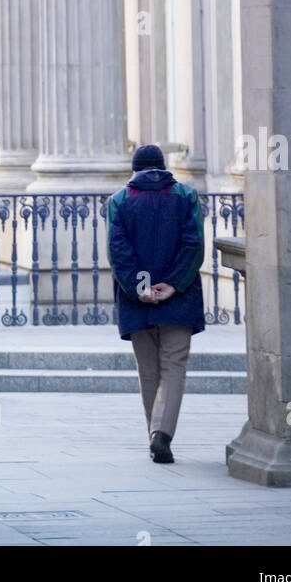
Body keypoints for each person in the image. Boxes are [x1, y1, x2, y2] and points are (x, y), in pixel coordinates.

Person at [106, 144, 205, 464]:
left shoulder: (119, 201)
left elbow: (117, 252)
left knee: (148, 370)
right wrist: (173, 284)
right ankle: (161, 434)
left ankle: (155, 434)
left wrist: (141, 286)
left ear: (135, 171)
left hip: (138, 300)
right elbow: (194, 245)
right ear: (163, 167)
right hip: (180, 296)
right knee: (173, 367)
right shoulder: (186, 196)